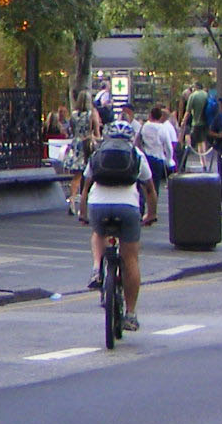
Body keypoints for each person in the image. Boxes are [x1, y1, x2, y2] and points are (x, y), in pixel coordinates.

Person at [76, 119, 157, 329]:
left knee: (97, 232)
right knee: (130, 259)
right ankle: (130, 314)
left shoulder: (98, 153)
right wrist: (151, 215)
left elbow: (85, 188)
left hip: (98, 206)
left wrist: (83, 214)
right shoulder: (137, 155)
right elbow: (149, 190)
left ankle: (96, 268)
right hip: (128, 208)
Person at [135, 105, 179, 194]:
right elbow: (168, 146)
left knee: (143, 183)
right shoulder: (162, 128)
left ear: (150, 115)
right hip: (158, 158)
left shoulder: (144, 126)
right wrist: (169, 159)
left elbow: (138, 141)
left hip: (146, 157)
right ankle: (153, 202)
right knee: (155, 185)